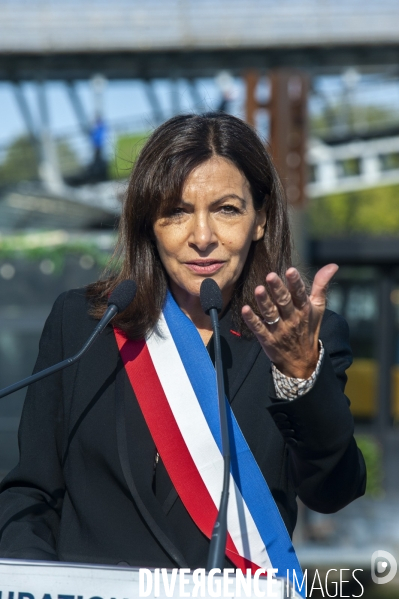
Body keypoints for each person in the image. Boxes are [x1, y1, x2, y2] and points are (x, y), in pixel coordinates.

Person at [0, 113, 366, 572]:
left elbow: (333, 492)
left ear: (260, 219)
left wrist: (300, 375)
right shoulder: (82, 325)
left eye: (227, 209)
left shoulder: (305, 339)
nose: (202, 237)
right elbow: (29, 496)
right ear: (148, 222)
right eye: (176, 211)